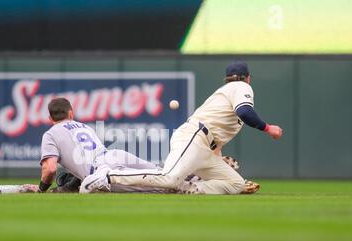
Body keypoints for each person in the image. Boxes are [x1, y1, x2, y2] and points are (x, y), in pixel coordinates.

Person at [80, 61, 283, 195]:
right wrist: (268, 128)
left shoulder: (226, 90)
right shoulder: (242, 87)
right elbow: (245, 113)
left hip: (205, 146)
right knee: (168, 178)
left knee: (236, 184)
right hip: (194, 137)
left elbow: (220, 124)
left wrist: (217, 152)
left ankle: (190, 188)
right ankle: (106, 176)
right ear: (248, 77)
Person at [22, 97, 165, 193]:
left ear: (50, 118)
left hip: (101, 175)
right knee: (164, 173)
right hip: (114, 155)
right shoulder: (84, 126)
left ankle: (182, 185)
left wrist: (41, 189)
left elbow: (50, 168)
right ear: (71, 114)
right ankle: (185, 177)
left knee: (156, 188)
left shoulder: (50, 134)